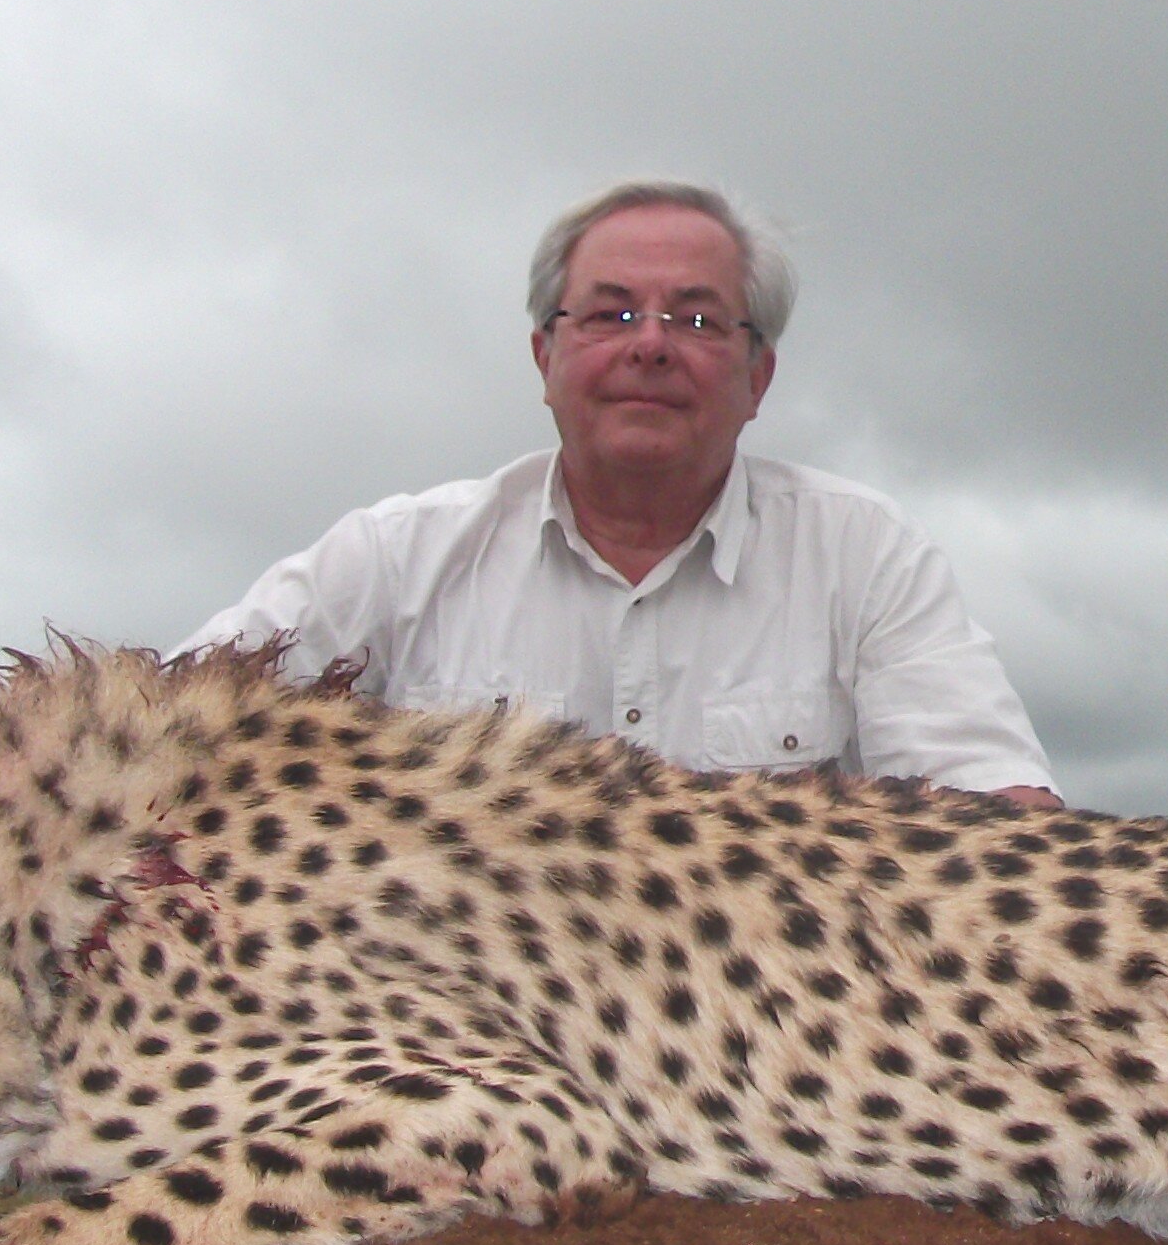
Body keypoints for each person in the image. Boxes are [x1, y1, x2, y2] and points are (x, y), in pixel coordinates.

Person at [178, 179, 1058, 803]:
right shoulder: (391, 558)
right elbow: (151, 735)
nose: (651, 345)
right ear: (544, 360)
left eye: (699, 320)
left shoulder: (865, 556)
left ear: (760, 379)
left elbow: (1000, 823)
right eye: (609, 315)